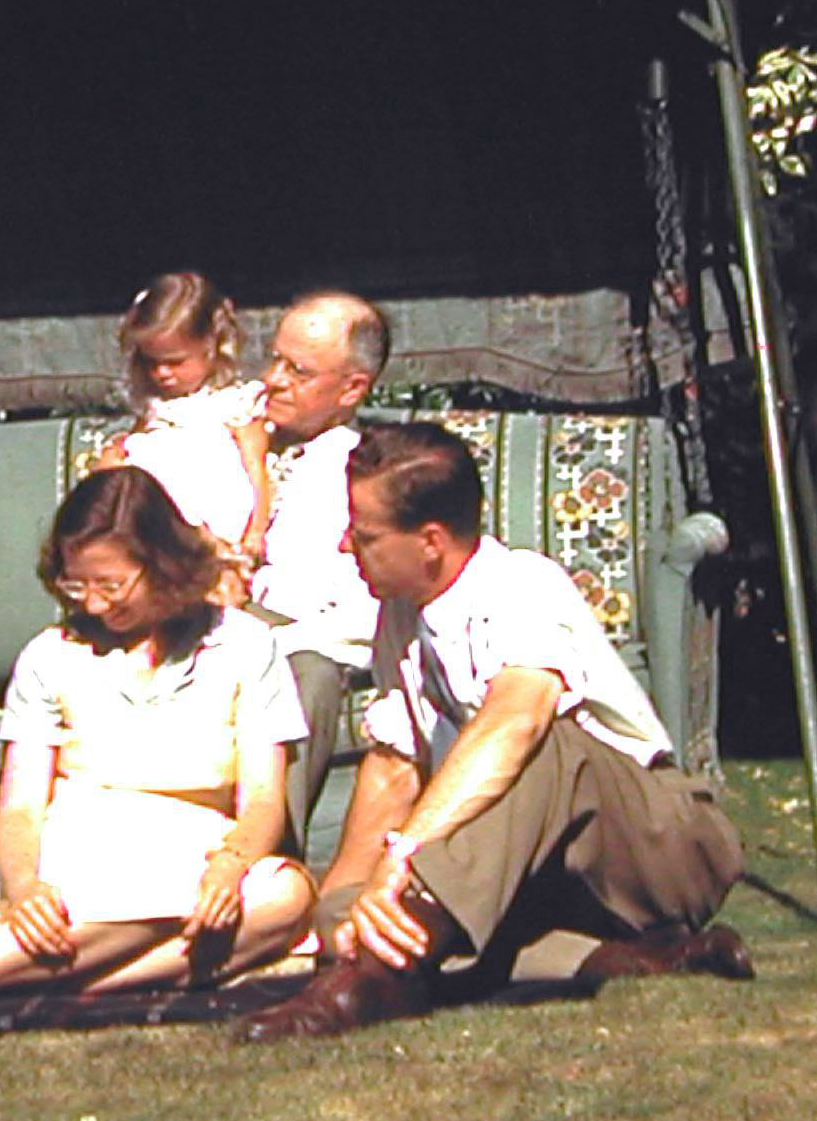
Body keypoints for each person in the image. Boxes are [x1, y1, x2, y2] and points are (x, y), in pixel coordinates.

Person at [239, 423, 749, 1042]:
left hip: (654, 848)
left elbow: (516, 721)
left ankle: (373, 980)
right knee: (350, 909)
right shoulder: (399, 614)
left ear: (430, 541)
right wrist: (345, 906)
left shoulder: (521, 586)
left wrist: (403, 857)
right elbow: (395, 767)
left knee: (535, 743)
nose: (348, 547)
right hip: (544, 876)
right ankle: (618, 960)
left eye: (365, 535)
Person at [0, 466, 317, 1023]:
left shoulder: (245, 645)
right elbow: (21, 807)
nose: (95, 604)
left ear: (164, 564)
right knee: (141, 893)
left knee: (285, 897)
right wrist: (24, 886)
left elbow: (264, 797)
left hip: (202, 848)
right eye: (78, 586)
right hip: (86, 850)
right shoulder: (51, 655)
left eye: (112, 586)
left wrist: (231, 865)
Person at [249, 290, 387, 856]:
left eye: (298, 372)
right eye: (274, 360)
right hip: (196, 614)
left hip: (302, 639)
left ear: (352, 389)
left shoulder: (367, 473)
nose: (272, 380)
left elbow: (359, 614)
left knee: (307, 673)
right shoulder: (228, 436)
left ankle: (268, 865)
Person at [96, 272, 271, 599]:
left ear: (212, 346)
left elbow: (258, 471)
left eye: (175, 362)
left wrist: (255, 535)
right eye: (151, 362)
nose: (161, 373)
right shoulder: (153, 412)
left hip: (218, 524)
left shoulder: (233, 406)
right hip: (160, 532)